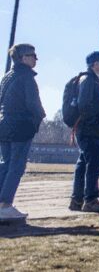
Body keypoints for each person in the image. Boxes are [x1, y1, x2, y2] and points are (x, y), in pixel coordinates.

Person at [0, 44, 46, 221]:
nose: (36, 58)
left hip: (4, 125)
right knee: (16, 166)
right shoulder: (27, 77)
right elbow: (33, 104)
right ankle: (6, 204)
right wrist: (39, 118)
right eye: (32, 55)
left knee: (5, 163)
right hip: (20, 125)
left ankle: (2, 203)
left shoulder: (7, 77)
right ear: (23, 57)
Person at [69, 51, 99, 213]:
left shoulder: (91, 80)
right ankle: (90, 199)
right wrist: (94, 123)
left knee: (84, 164)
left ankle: (77, 199)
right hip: (90, 130)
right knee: (93, 164)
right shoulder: (89, 81)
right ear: (95, 64)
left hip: (86, 129)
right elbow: (84, 105)